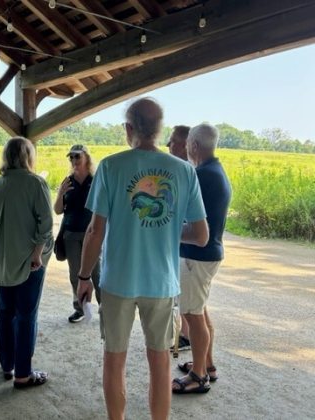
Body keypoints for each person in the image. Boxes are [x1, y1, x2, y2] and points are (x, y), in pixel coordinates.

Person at [77, 97, 209, 420]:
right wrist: (170, 233)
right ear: (159, 130)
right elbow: (202, 236)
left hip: (117, 282)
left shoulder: (110, 166)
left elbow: (95, 231)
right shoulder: (184, 171)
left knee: (114, 359)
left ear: (128, 129)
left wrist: (83, 278)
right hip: (161, 283)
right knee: (160, 361)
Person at [0, 136, 53, 389]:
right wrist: (37, 254)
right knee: (26, 315)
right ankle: (23, 372)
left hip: (1, 261)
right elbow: (46, 225)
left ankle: (7, 365)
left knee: (5, 313)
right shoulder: (36, 183)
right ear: (28, 157)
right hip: (29, 262)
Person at [172, 124, 232, 393]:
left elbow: (195, 229)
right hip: (207, 255)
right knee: (201, 311)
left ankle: (199, 376)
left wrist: (167, 230)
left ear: (194, 145)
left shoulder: (202, 176)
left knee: (193, 315)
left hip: (197, 256)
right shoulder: (214, 172)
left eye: (186, 145)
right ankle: (206, 364)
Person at [53, 144, 101, 323]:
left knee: (96, 272)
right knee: (75, 273)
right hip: (71, 234)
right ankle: (80, 308)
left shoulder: (95, 180)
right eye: (71, 157)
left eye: (77, 156)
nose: (73, 160)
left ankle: (104, 307)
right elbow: (58, 210)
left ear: (86, 157)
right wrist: (60, 194)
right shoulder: (67, 182)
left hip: (93, 233)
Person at [167, 125, 192, 352]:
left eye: (172, 141)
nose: (168, 146)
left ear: (185, 144)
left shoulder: (188, 172)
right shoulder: (185, 170)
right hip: (183, 246)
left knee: (189, 301)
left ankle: (185, 336)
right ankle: (183, 335)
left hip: (189, 248)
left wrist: (168, 230)